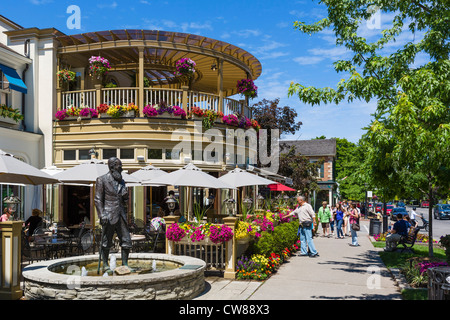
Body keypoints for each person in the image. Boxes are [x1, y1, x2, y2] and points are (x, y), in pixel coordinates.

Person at [94, 157, 133, 273]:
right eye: (119, 166)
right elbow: (97, 199)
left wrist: (126, 196)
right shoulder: (102, 180)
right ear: (112, 167)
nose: (121, 168)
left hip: (121, 214)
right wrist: (102, 215)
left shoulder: (122, 181)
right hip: (108, 214)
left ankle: (125, 264)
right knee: (106, 241)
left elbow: (123, 199)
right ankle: (105, 264)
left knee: (126, 240)